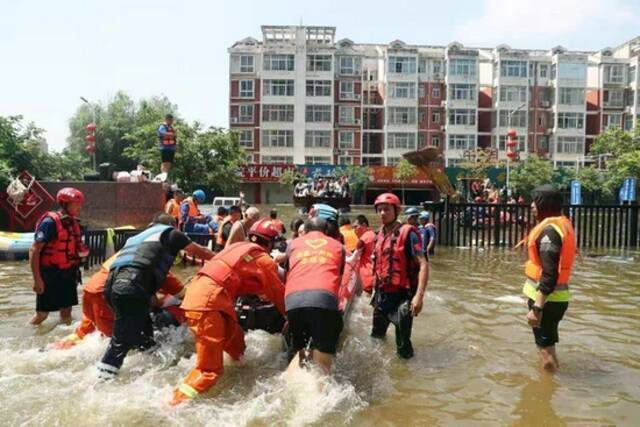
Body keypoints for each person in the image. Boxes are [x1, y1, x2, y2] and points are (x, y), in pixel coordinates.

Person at [171, 219, 285, 405]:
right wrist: (293, 319)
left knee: (237, 346)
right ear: (271, 243)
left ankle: (239, 378)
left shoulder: (238, 248)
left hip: (206, 298)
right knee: (209, 371)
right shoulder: (263, 260)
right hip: (209, 304)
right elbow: (279, 295)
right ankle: (173, 404)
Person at [97, 213, 214, 380]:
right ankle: (103, 383)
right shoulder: (171, 233)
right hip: (130, 287)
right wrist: (222, 259)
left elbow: (143, 275)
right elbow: (199, 251)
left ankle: (154, 373)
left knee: (144, 336)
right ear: (172, 225)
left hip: (112, 287)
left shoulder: (138, 239)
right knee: (121, 342)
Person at [52, 253, 185, 349]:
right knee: (118, 345)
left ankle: (51, 350)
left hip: (91, 289)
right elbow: (181, 295)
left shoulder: (130, 251)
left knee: (84, 333)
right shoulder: (157, 266)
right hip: (106, 296)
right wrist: (166, 299)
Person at [522, 185, 575, 372]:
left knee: (545, 354)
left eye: (535, 202)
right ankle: (551, 385)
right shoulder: (557, 226)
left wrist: (537, 308)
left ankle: (549, 390)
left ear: (544, 203)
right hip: (554, 299)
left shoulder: (549, 232)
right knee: (548, 346)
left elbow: (550, 273)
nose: (531, 206)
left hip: (547, 301)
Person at [371, 193, 429, 359]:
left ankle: (406, 378)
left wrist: (419, 296)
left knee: (403, 348)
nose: (382, 213)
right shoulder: (379, 235)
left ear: (396, 211)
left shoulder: (408, 233)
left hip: (402, 297)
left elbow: (423, 264)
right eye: (379, 210)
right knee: (376, 338)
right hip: (382, 296)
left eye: (387, 209)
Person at [284, 216, 345, 375]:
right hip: (324, 299)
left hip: (293, 301)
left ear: (304, 231)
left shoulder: (293, 244)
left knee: (300, 354)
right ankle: (321, 392)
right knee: (322, 359)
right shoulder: (338, 246)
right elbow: (339, 276)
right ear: (326, 231)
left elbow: (287, 272)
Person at [29, 188, 90, 325]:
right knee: (42, 315)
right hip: (50, 273)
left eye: (80, 204)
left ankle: (63, 339)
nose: (79, 207)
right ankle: (25, 335)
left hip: (68, 273)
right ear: (64, 204)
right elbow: (34, 250)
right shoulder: (49, 223)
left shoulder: (73, 223)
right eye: (76, 204)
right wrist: (37, 280)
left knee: (67, 312)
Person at [350, 215, 376, 294]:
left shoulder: (363, 239)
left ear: (364, 225)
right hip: (374, 276)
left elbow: (352, 259)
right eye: (353, 227)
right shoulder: (373, 234)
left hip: (367, 277)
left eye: (356, 227)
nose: (354, 230)